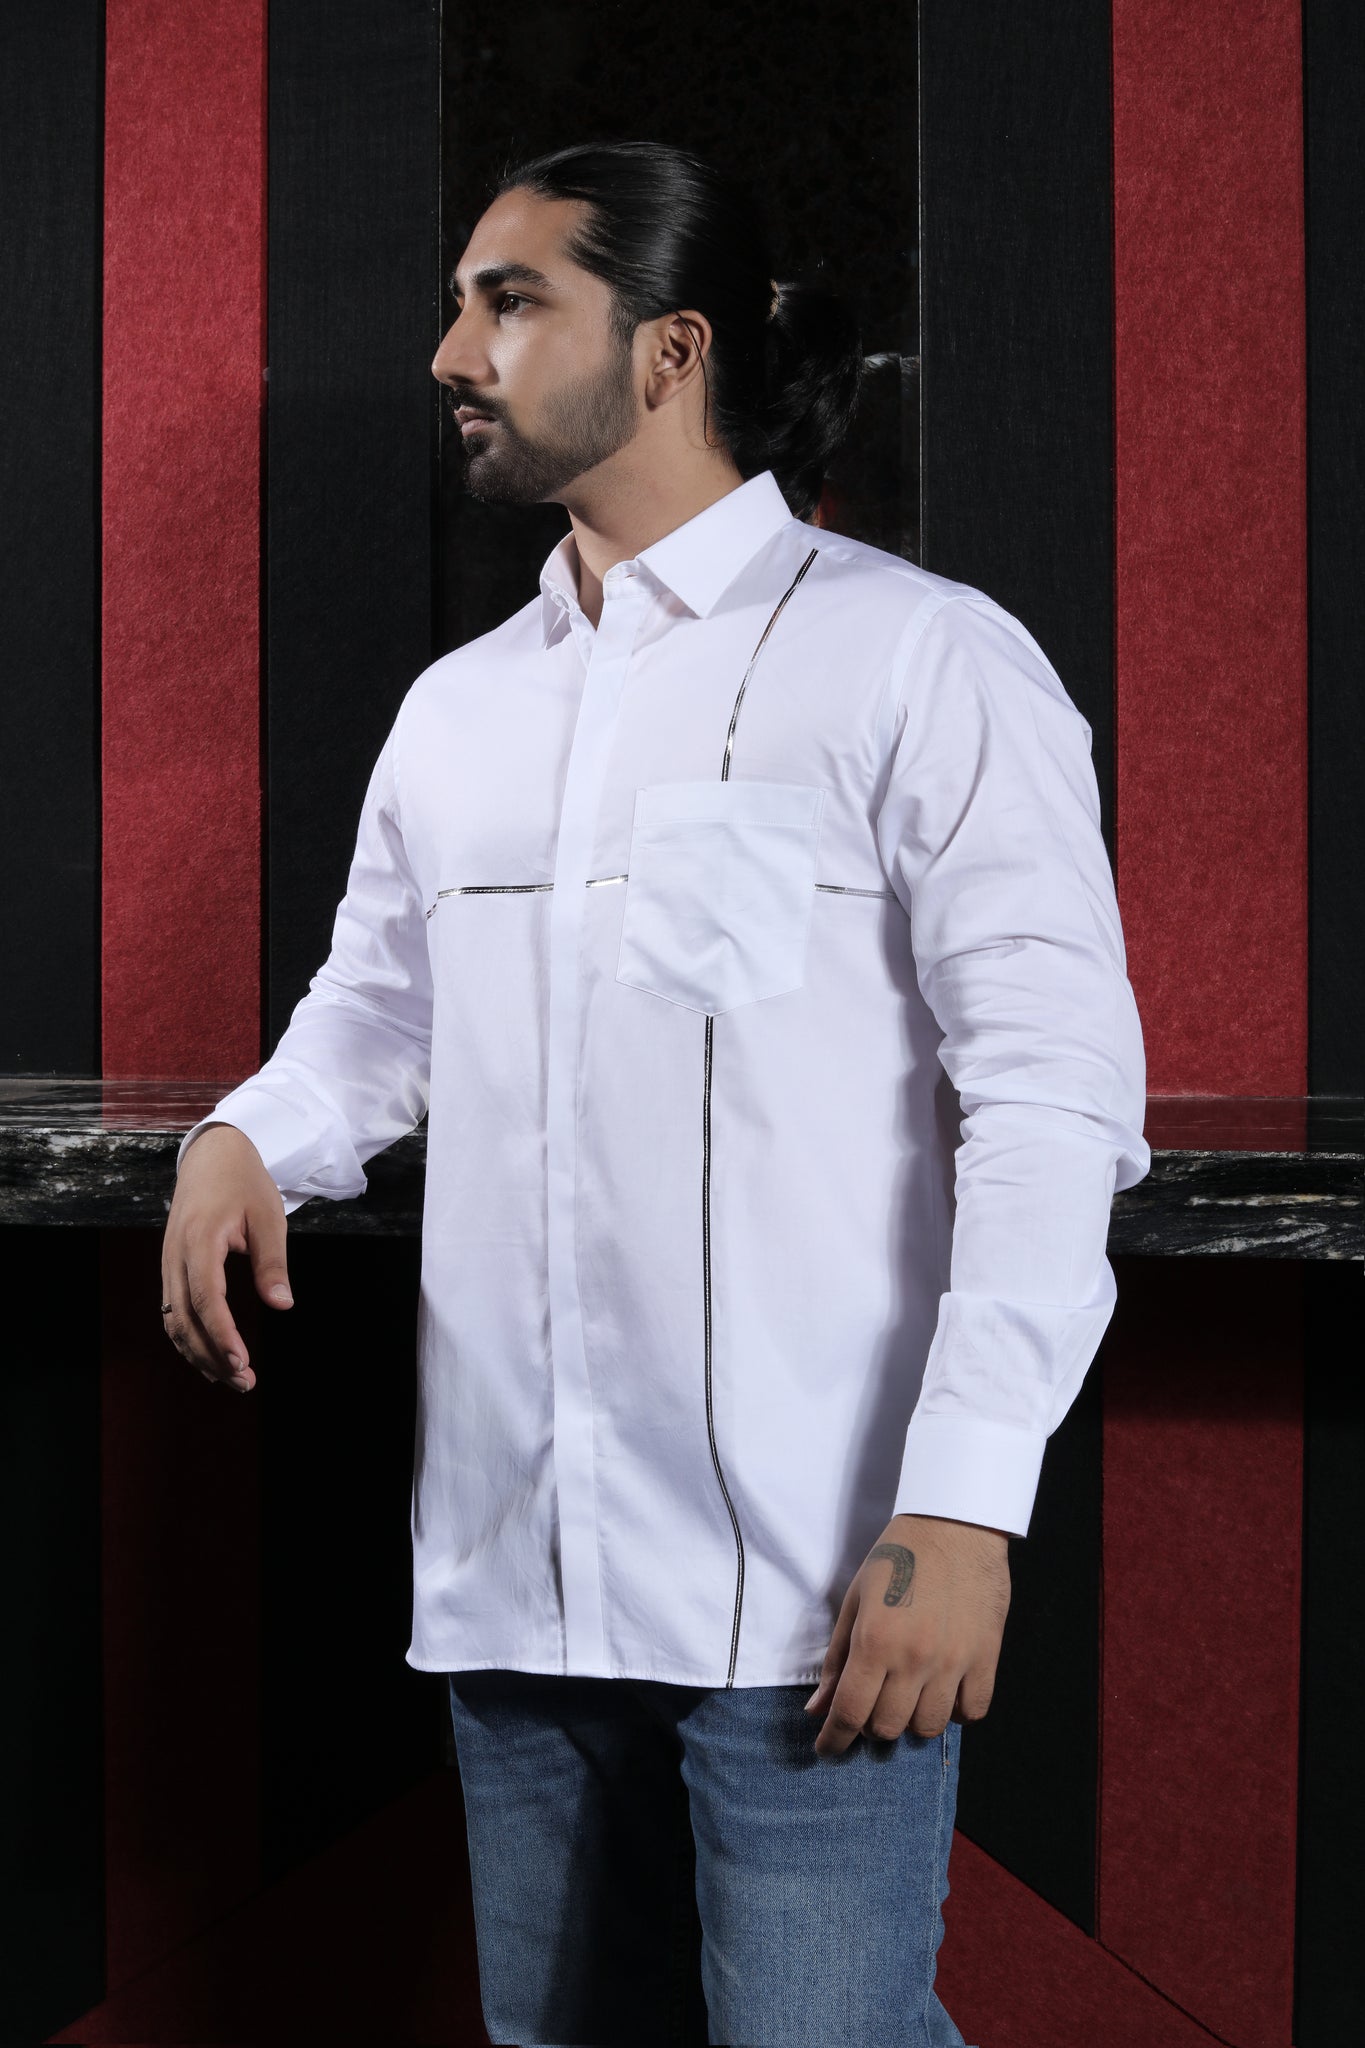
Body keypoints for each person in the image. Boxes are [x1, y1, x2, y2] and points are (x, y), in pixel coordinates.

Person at [160, 139, 1150, 2048]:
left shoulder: (920, 659)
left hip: (817, 1579)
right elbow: (375, 1015)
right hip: (514, 1570)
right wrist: (244, 1134)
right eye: (460, 303)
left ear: (671, 348)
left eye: (510, 301)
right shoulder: (459, 710)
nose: (453, 351)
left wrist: (964, 1509)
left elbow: (1049, 1098)